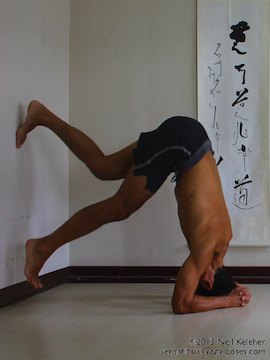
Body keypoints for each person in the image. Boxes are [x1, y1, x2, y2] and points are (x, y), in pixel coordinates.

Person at [16, 101, 251, 313]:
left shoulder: (222, 240)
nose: (189, 273)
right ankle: (41, 247)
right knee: (119, 207)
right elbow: (181, 304)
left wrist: (230, 287)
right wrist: (227, 301)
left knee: (103, 167)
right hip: (181, 144)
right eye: (197, 281)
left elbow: (213, 274)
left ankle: (42, 115)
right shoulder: (207, 248)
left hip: (188, 139)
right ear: (207, 280)